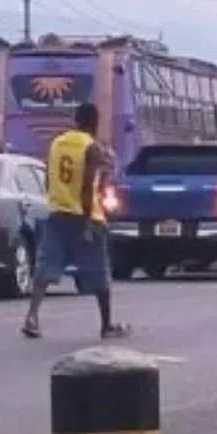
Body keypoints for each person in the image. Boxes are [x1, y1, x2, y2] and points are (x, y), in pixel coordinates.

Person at [21, 103, 130, 339]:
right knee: (99, 272)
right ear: (94, 122)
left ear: (76, 120)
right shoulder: (92, 148)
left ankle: (32, 316)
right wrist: (88, 219)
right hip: (85, 215)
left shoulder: (56, 143)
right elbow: (86, 186)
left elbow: (49, 180)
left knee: (45, 267)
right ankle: (106, 325)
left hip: (57, 213)